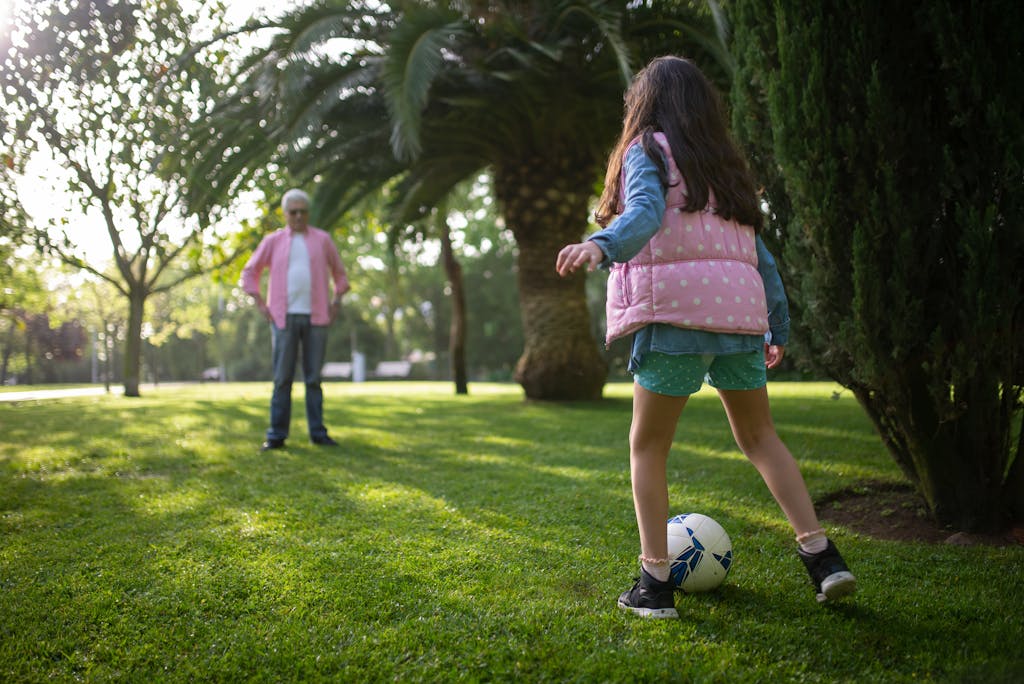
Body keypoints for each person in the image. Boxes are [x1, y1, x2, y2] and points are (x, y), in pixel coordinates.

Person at [555, 56, 856, 618]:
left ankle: (653, 585)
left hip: (676, 322)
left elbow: (643, 212)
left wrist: (601, 244)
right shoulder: (726, 168)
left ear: (644, 102)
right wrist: (777, 325)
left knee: (648, 446)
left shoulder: (647, 149)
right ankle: (823, 558)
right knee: (760, 438)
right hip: (741, 322)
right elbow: (762, 259)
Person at [241, 188, 350, 451]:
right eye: (293, 212)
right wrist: (259, 302)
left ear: (308, 213)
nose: (299, 216)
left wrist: (336, 301)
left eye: (303, 211)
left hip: (317, 318)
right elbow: (249, 271)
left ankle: (318, 433)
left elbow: (341, 274)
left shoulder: (322, 240)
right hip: (283, 318)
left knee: (313, 379)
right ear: (286, 213)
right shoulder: (273, 241)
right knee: (282, 379)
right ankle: (276, 435)